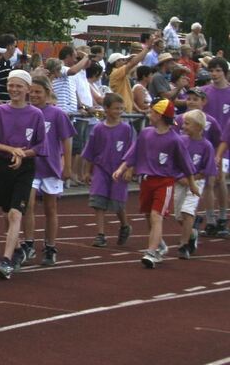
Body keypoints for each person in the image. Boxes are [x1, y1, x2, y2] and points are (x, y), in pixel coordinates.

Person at [113, 99, 198, 268]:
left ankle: (151, 252)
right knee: (148, 216)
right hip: (146, 180)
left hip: (164, 182)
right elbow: (133, 153)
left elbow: (186, 164)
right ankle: (159, 245)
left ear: (159, 115)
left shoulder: (175, 140)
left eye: (152, 112)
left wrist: (192, 184)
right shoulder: (146, 133)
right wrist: (122, 168)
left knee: (156, 215)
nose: (149, 114)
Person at [0, 70, 47, 279]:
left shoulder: (36, 114)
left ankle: (6, 260)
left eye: (19, 86)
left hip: (25, 168)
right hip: (3, 166)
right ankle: (18, 249)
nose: (14, 89)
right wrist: (12, 150)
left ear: (28, 89)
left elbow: (40, 146)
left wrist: (23, 153)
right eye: (11, 85)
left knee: (15, 213)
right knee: (5, 211)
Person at [22, 75, 75, 266]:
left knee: (50, 208)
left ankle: (50, 246)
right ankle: (28, 243)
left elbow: (66, 139)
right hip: (31, 167)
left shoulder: (56, 114)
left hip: (51, 166)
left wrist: (67, 165)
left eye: (38, 92)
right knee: (27, 205)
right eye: (32, 91)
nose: (34, 95)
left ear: (47, 93)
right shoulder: (25, 112)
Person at [81, 93, 135, 247]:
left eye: (121, 108)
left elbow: (132, 150)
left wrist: (129, 169)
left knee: (117, 203)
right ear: (106, 109)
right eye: (115, 108)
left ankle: (124, 225)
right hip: (101, 169)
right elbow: (90, 151)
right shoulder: (98, 129)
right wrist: (86, 171)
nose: (118, 111)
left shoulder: (126, 128)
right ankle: (100, 234)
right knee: (98, 200)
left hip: (119, 169)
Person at [174, 109, 216, 259]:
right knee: (178, 216)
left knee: (187, 211)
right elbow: (175, 162)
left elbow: (207, 168)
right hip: (180, 182)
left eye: (187, 123)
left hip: (196, 182)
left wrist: (193, 178)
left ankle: (183, 245)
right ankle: (192, 233)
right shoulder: (181, 141)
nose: (183, 126)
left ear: (198, 127)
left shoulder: (206, 146)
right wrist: (179, 177)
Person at [107, 37, 154, 112]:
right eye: (123, 60)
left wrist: (139, 110)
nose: (125, 61)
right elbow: (133, 63)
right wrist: (147, 48)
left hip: (124, 111)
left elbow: (129, 97)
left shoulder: (120, 74)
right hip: (121, 111)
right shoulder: (116, 72)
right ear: (116, 62)